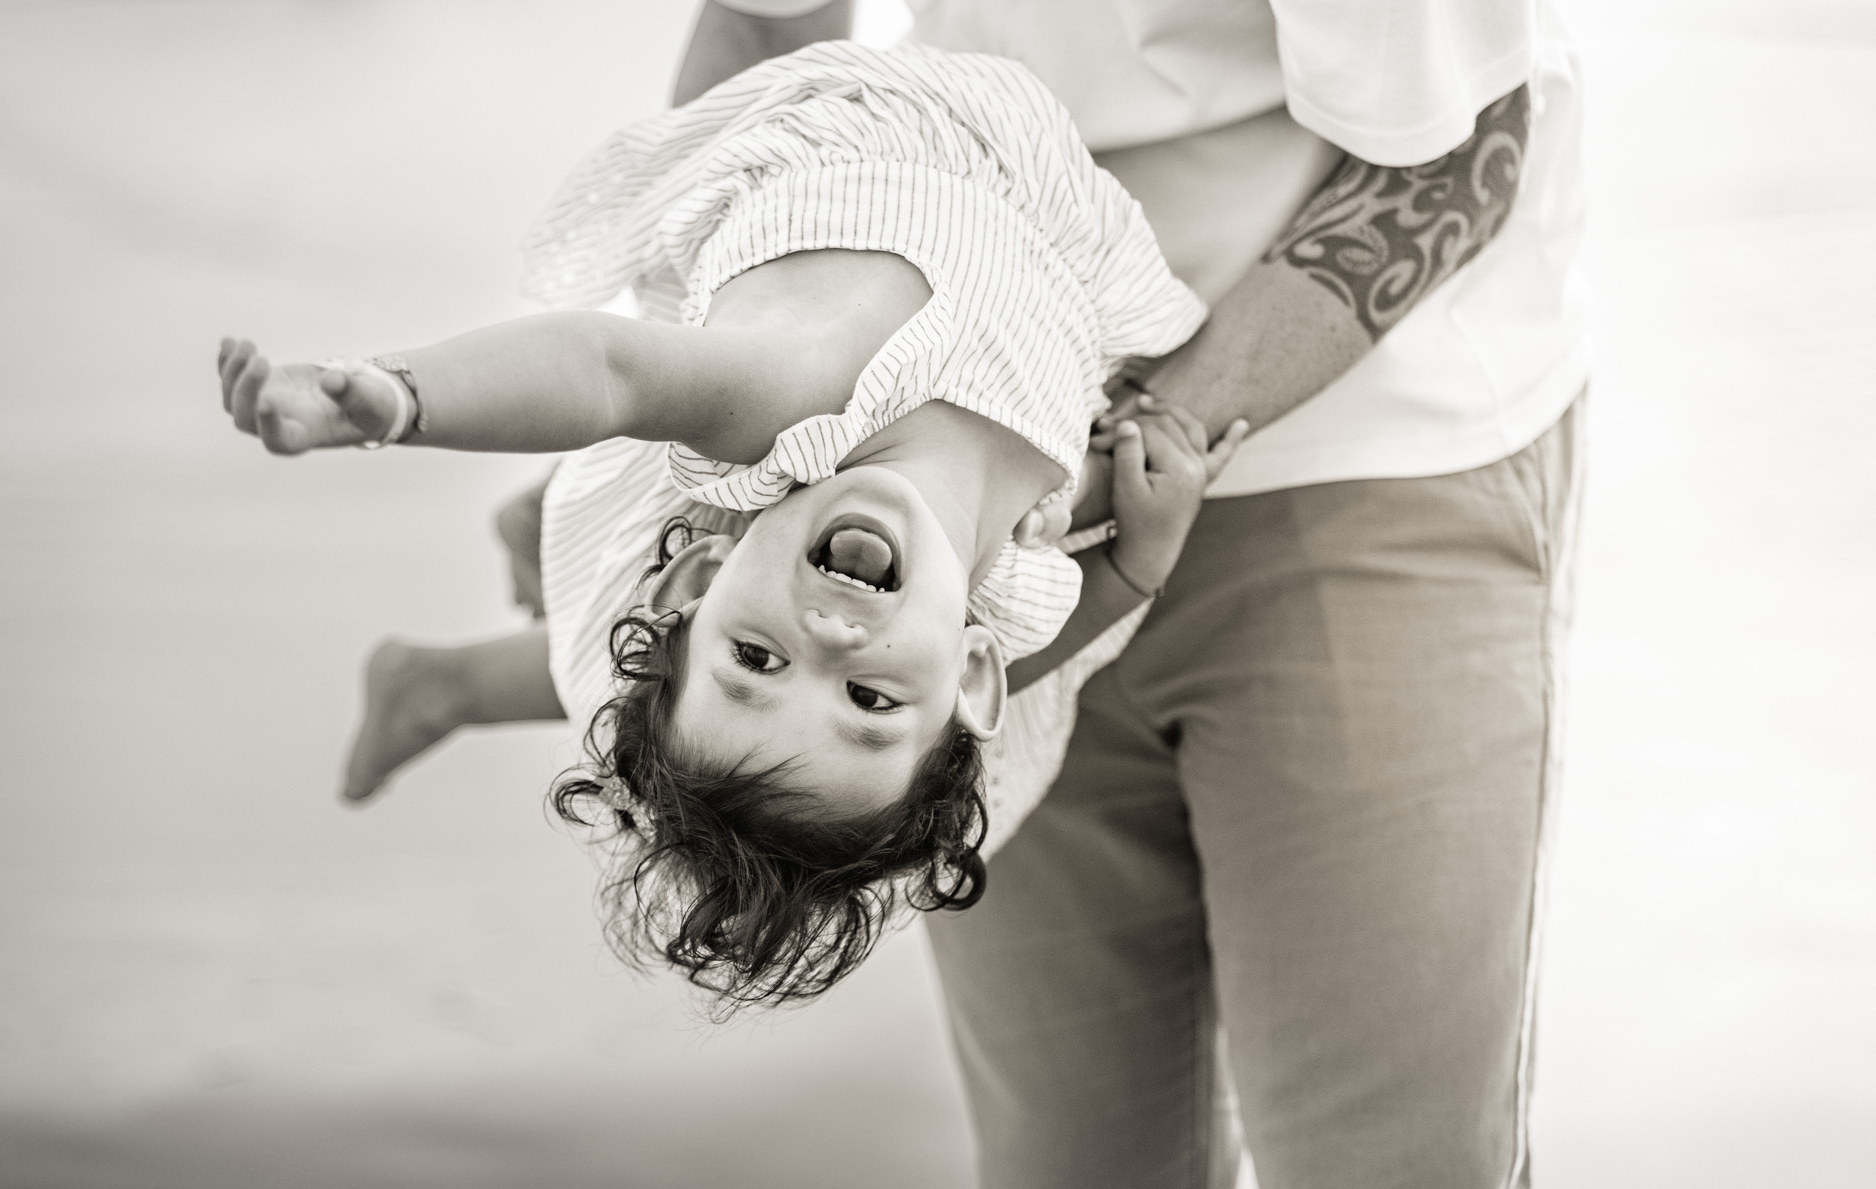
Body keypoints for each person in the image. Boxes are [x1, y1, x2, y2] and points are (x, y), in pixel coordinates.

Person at [677, 1, 1588, 1189]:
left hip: (1375, 452)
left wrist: (1125, 454)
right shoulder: (893, 605)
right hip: (955, 486)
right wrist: (668, 407)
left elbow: (1459, 146)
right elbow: (772, 35)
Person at [216, 40, 1242, 1007]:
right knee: (661, 700)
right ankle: (440, 683)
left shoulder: (790, 392)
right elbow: (1003, 661)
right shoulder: (1023, 558)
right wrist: (1136, 568)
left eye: (758, 656)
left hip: (832, 146)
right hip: (1026, 231)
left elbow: (607, 370)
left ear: (698, 578)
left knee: (624, 667)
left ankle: (516, 569)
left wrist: (397, 401)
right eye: (868, 697)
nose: (832, 638)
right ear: (967, 671)